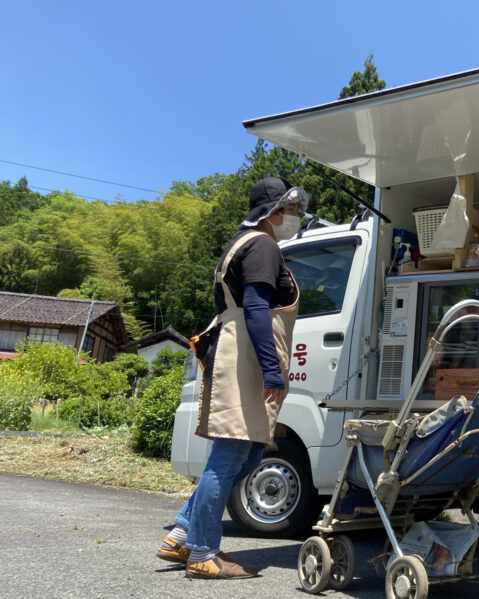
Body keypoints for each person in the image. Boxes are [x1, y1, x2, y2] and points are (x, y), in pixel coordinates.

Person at [156, 177, 306, 579]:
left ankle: (183, 533)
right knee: (228, 457)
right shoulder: (263, 244)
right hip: (246, 357)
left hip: (235, 348)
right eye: (290, 210)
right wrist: (272, 368)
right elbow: (257, 307)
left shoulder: (241, 242)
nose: (294, 216)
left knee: (249, 454)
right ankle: (203, 554)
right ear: (272, 211)